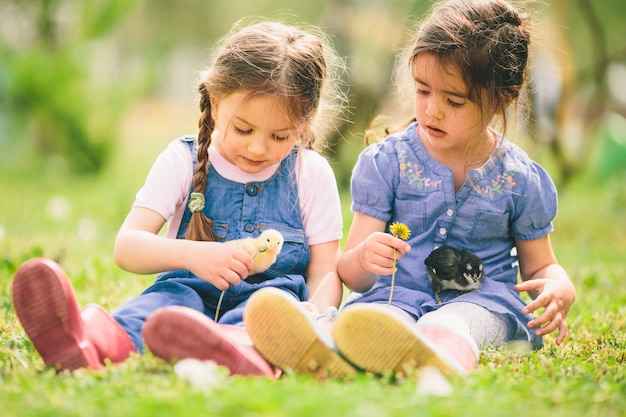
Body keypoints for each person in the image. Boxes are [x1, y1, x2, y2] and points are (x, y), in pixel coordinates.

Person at [245, 0, 576, 378]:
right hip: (394, 297)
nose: (432, 110)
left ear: (503, 97)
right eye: (422, 91)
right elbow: (352, 273)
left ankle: (441, 358)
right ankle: (329, 351)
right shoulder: (387, 162)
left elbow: (542, 265)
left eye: (454, 101)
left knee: (455, 322)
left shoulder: (518, 178)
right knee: (369, 319)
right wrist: (365, 257)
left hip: (482, 305)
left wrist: (559, 285)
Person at [11, 20, 351, 378]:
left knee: (264, 321)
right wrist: (195, 255)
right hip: (184, 295)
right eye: (243, 129)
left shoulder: (310, 173)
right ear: (216, 102)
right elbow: (127, 247)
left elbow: (325, 271)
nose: (257, 147)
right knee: (157, 312)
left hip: (268, 307)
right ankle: (84, 340)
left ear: (305, 122)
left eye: (280, 137)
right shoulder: (182, 160)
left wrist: (315, 312)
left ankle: (236, 351)